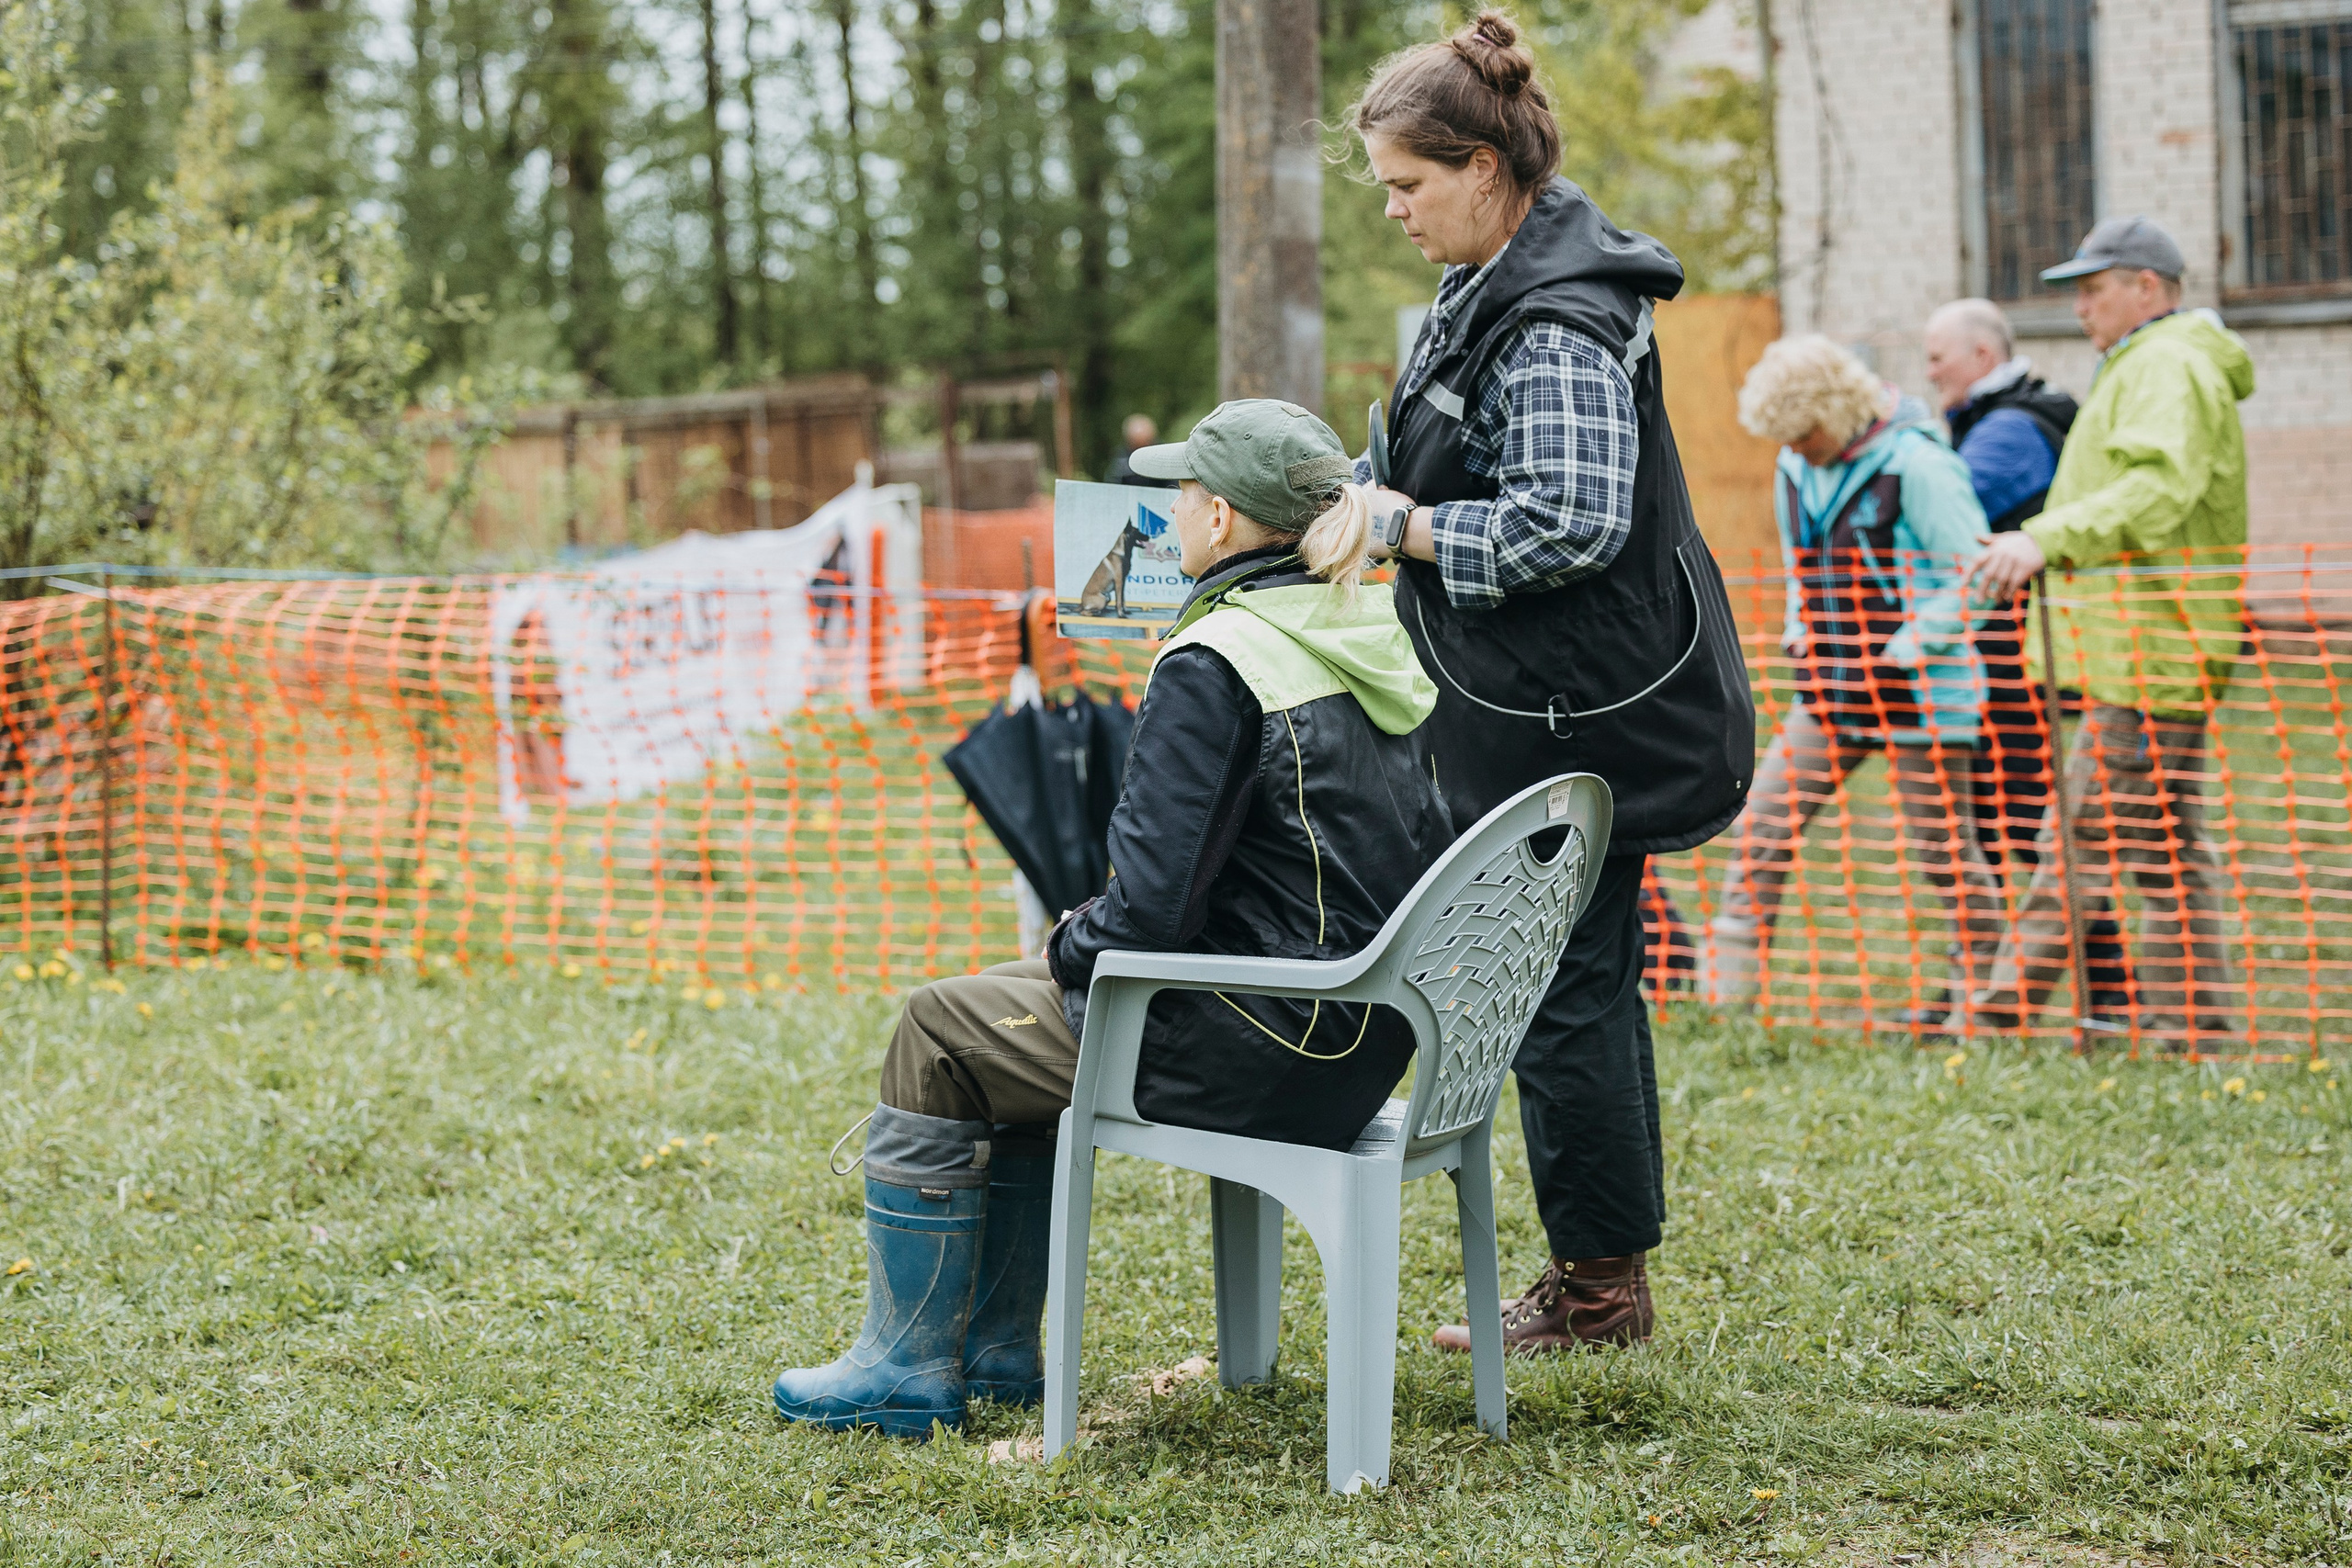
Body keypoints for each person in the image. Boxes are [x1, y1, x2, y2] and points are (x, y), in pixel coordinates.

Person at [771, 400, 1453, 1437]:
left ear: (1219, 521)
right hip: (1355, 1039)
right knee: (992, 1014)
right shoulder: (1363, 625)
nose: (1168, 505)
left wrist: (1062, 946)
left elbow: (1143, 914)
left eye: (1181, 489)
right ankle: (995, 1355)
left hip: (1248, 1042)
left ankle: (907, 1366)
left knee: (936, 1028)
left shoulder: (1217, 660)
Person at [1347, 11, 1755, 1354]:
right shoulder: (1489, 287)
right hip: (1542, 709)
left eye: (1407, 184)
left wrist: (1401, 529)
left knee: (1563, 984)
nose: (1396, 211)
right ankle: (1605, 1276)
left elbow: (1566, 520)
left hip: (1579, 717)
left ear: (1481, 168)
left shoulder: (1559, 321)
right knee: (1581, 978)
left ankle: (1596, 1291)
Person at [1957, 216, 2251, 1045]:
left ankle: (1995, 1019)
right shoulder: (2149, 362)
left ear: (2146, 288)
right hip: (2150, 646)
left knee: (2078, 836)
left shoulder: (2168, 367)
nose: (2081, 309)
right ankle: (2192, 1028)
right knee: (2163, 850)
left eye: (2094, 290)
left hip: (2150, 652)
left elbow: (2156, 489)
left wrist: (2042, 537)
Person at [1698, 335, 2004, 1021]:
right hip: (1834, 691)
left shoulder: (1921, 466)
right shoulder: (1793, 466)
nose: (1797, 448)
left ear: (1836, 407)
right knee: (1763, 824)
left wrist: (1904, 648)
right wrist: (1798, 628)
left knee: (1943, 849)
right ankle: (1724, 1004)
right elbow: (1802, 567)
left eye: (1804, 432)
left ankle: (1983, 1005)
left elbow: (1977, 580)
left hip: (1925, 692)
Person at [1924, 299, 2131, 1006]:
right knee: (2000, 821)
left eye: (1936, 357)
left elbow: (1950, 512)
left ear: (1982, 357)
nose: (1929, 372)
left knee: (2029, 820)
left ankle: (2109, 991)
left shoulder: (2012, 428)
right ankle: (1980, 985)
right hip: (1990, 656)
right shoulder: (1988, 419)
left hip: (2011, 659)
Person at [1101, 413, 1162, 486]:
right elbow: (1112, 485)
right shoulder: (1121, 459)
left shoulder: (1163, 456)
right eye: (1137, 446)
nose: (1140, 451)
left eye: (1145, 444)